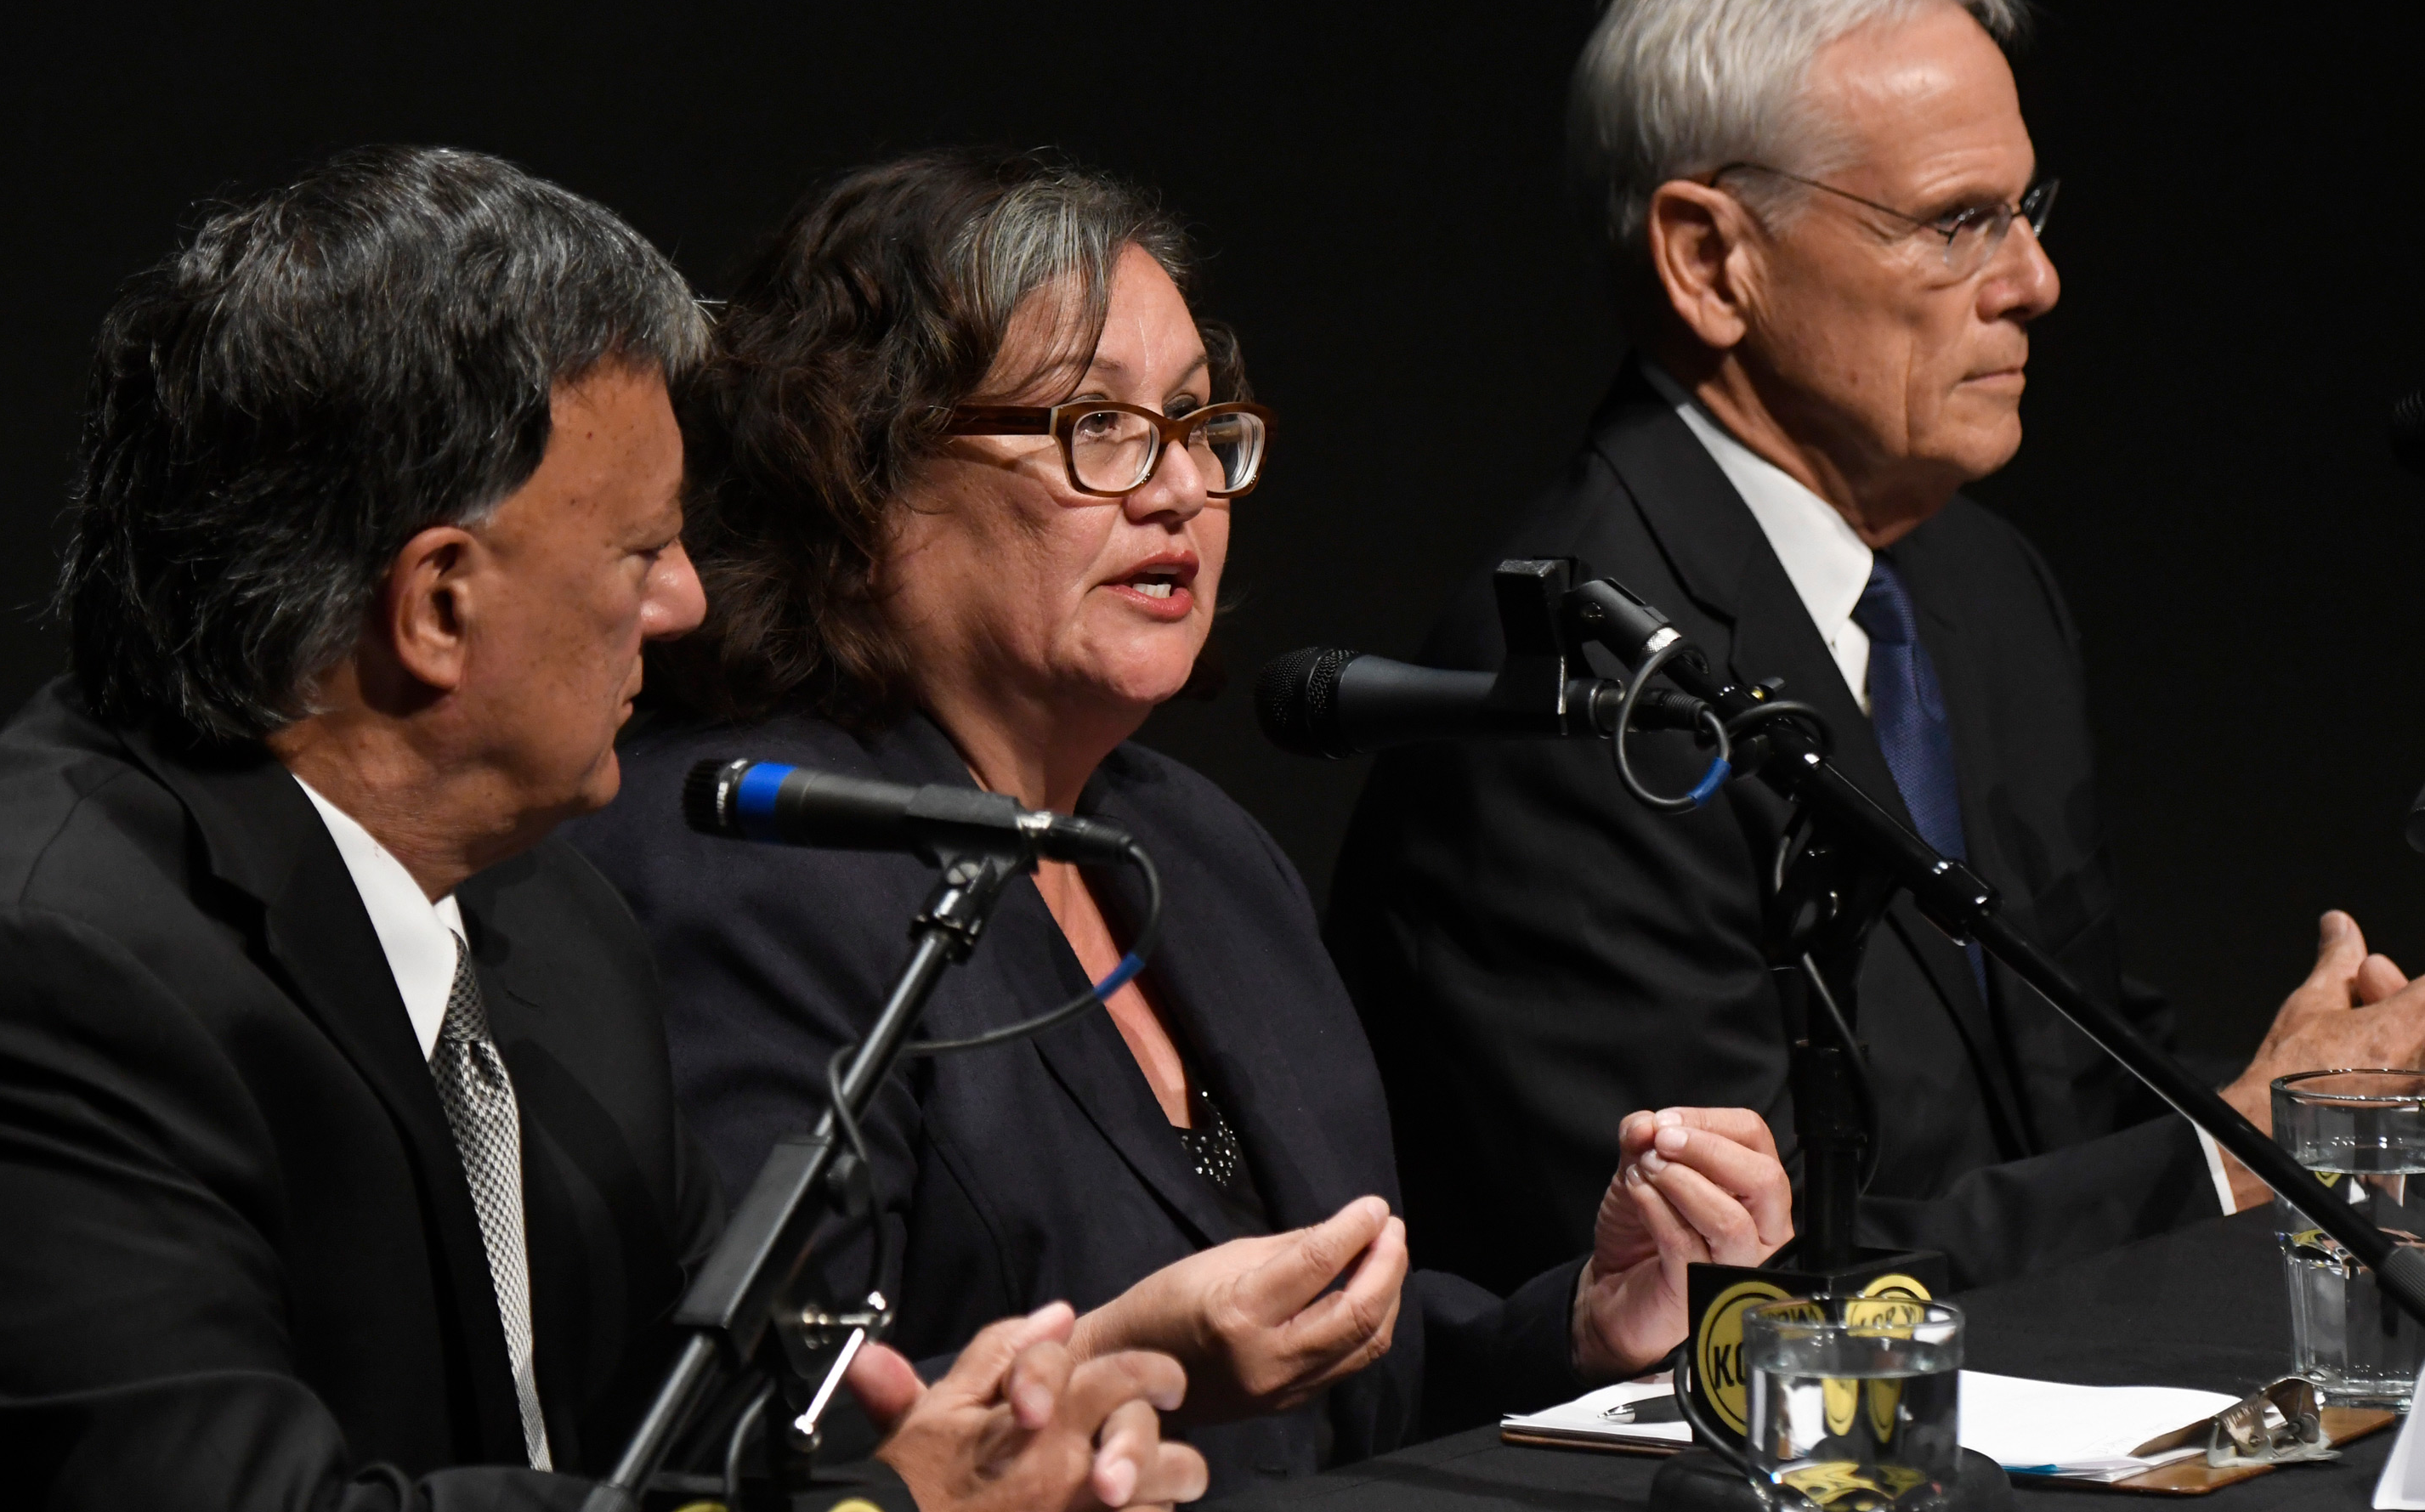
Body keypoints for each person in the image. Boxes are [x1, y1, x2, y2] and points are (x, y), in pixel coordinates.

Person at [0, 145, 1206, 1512]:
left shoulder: (552, 925)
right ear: (438, 608)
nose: (687, 603)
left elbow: (724, 1440)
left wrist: (991, 1428)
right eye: (642, 553)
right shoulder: (38, 983)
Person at [563, 149, 1795, 1499]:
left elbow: (1325, 1384)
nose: (1180, 489)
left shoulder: (1191, 846)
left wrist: (1576, 1326)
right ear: (860, 476)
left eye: (1200, 423)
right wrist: (1120, 1361)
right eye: (1096, 424)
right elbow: (763, 1442)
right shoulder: (749, 858)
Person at [1325, 0, 2425, 1300]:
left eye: (2027, 211)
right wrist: (2235, 1152)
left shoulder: (1981, 586)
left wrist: (2319, 1088)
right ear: (1711, 260)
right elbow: (1730, 1283)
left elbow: (2065, 1090)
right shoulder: (1569, 694)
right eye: (1959, 223)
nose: (2034, 281)